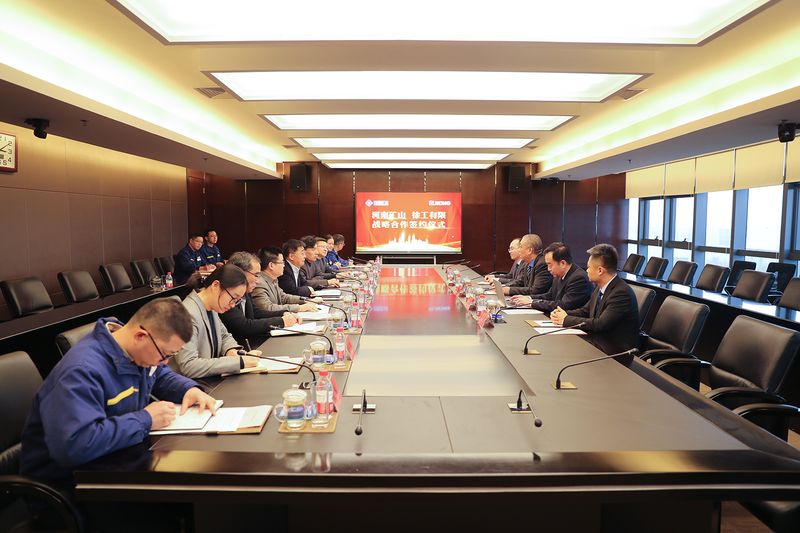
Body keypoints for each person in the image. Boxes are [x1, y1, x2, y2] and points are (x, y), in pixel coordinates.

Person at [20, 298, 218, 487]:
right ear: (140, 336)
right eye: (165, 354)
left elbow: (158, 373)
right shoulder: (81, 371)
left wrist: (188, 389)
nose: (165, 362)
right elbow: (74, 445)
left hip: (117, 459)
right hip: (71, 483)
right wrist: (146, 419)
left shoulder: (132, 349)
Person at [170, 264, 260, 378]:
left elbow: (224, 336)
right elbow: (189, 366)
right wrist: (239, 362)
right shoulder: (187, 314)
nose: (233, 305)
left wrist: (231, 350)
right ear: (216, 285)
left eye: (237, 301)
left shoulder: (212, 306)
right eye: (233, 298)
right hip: (191, 384)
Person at [551, 243, 640, 353]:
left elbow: (600, 324)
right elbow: (585, 311)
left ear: (600, 270)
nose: (587, 270)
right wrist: (562, 314)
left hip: (616, 352)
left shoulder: (621, 293)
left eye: (589, 267)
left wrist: (566, 319)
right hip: (598, 343)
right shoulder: (600, 287)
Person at [220, 251, 299, 346]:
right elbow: (243, 326)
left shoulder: (246, 291)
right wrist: (281, 321)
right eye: (256, 275)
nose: (258, 281)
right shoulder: (226, 294)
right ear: (240, 273)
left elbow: (256, 312)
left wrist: (282, 313)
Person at [509, 242, 593, 315]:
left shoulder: (578, 278)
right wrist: (529, 298)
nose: (548, 269)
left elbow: (563, 305)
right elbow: (549, 295)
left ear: (562, 263)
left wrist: (532, 303)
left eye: (550, 264)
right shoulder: (558, 275)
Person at [253, 246, 320, 315]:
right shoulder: (259, 282)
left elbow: (284, 297)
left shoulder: (273, 279)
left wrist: (306, 300)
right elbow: (267, 308)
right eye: (282, 262)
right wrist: (299, 308)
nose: (284, 266)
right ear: (271, 265)